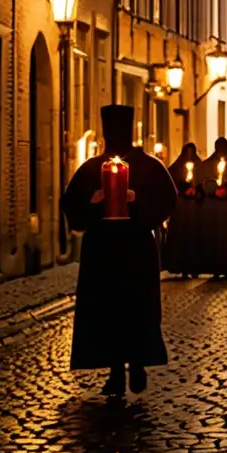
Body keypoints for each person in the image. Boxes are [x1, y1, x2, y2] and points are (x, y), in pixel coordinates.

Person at [61, 105, 177, 397]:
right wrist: (93, 202)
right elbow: (72, 205)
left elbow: (167, 200)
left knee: (136, 310)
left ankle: (136, 364)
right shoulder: (92, 168)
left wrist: (137, 202)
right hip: (103, 251)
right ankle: (115, 371)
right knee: (108, 312)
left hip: (135, 249)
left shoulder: (148, 166)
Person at [196, 138, 227, 278]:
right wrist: (214, 190)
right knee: (215, 238)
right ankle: (216, 268)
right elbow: (202, 182)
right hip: (214, 208)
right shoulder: (207, 164)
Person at [165, 143, 202, 277]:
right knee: (181, 237)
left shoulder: (200, 166)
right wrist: (182, 190)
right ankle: (181, 266)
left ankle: (194, 267)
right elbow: (170, 183)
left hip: (195, 208)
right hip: (181, 207)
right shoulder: (176, 167)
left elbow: (205, 182)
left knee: (194, 238)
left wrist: (196, 190)